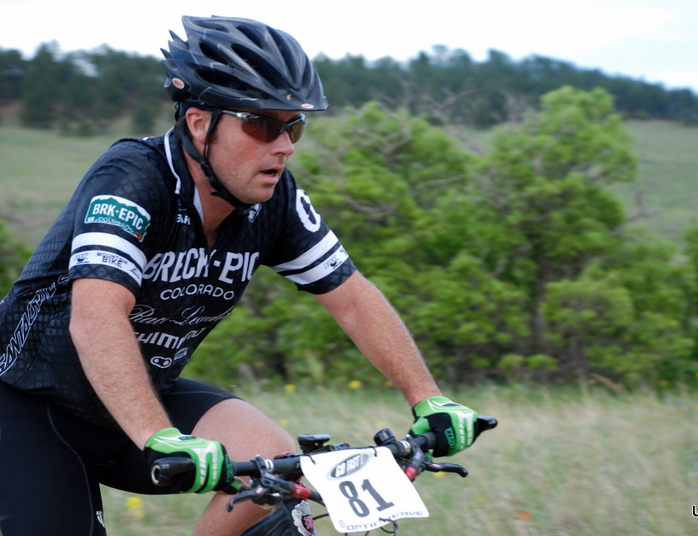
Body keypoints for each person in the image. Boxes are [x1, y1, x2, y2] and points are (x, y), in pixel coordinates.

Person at [0, 15, 481, 536]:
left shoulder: (273, 200)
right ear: (199, 124)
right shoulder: (133, 179)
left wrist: (427, 397)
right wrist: (157, 433)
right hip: (27, 403)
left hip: (138, 399)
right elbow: (96, 317)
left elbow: (352, 298)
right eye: (262, 125)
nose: (285, 145)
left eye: (294, 126)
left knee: (275, 465)